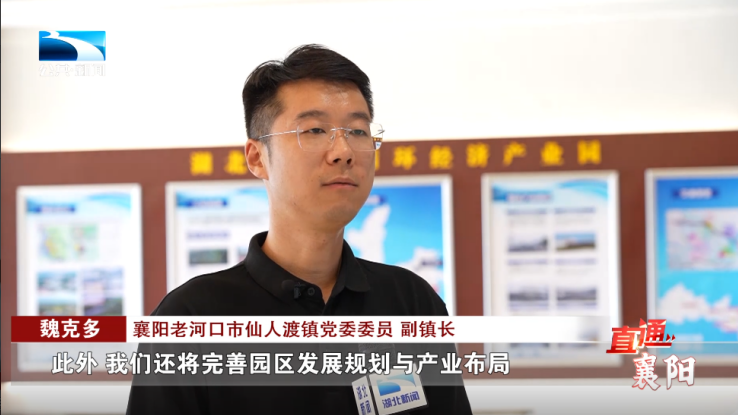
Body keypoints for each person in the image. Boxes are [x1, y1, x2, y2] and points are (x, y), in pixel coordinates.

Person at [126, 44, 473, 414]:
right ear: (257, 157)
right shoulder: (191, 319)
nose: (343, 151)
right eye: (315, 130)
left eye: (358, 130)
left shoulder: (410, 304)